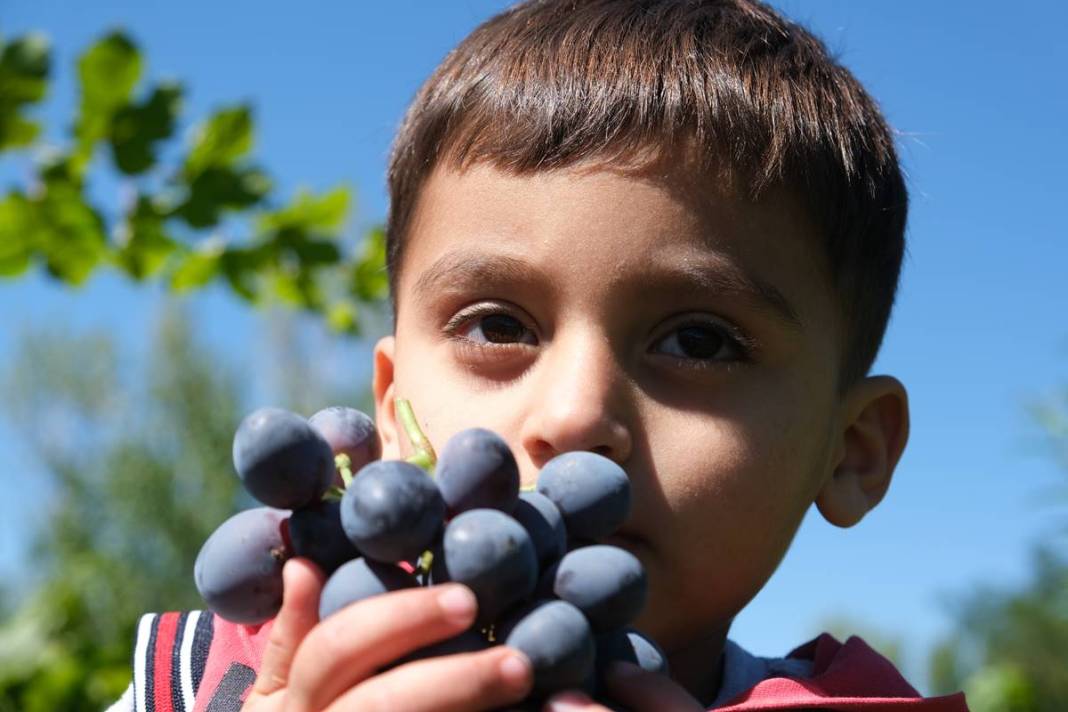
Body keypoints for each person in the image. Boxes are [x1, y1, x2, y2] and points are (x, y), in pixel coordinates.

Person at [111, 1, 970, 710]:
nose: (574, 415)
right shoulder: (203, 682)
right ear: (390, 401)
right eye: (498, 326)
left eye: (698, 341)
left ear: (851, 451)